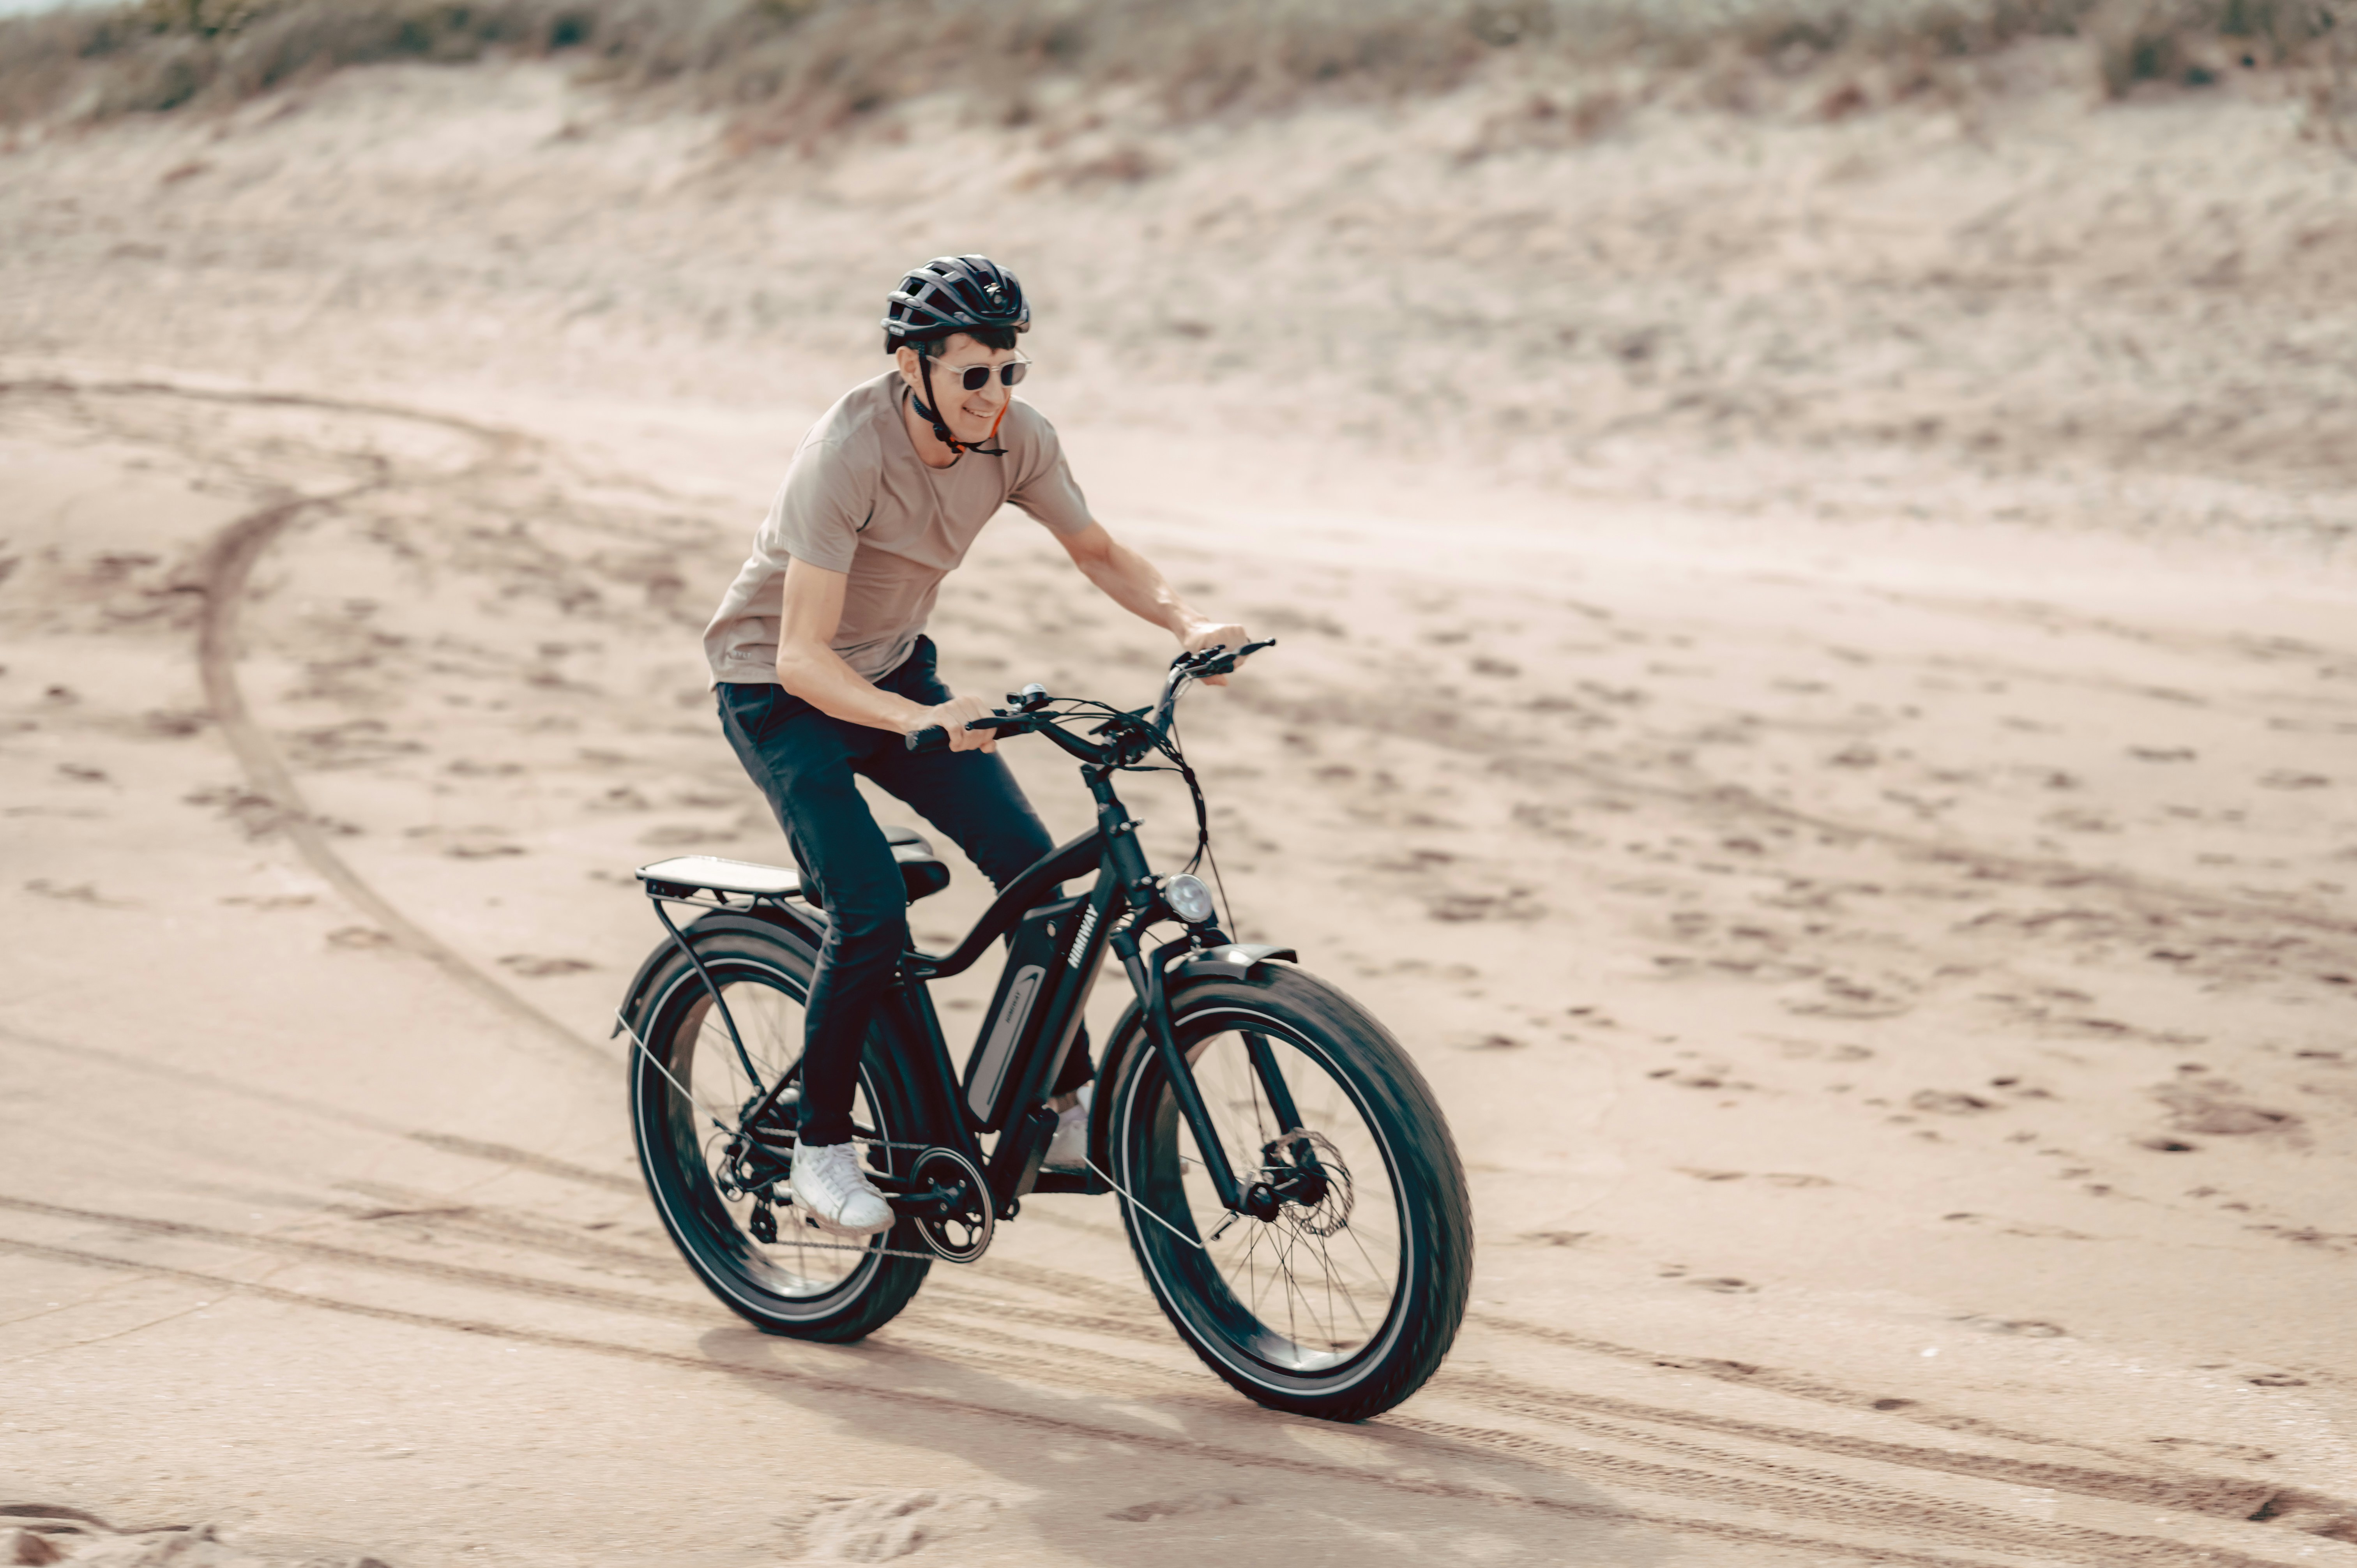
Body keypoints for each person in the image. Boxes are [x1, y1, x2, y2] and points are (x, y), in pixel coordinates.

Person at [702, 255, 1250, 1236]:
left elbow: (1097, 549)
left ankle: (1068, 1106)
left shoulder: (1016, 439)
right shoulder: (847, 454)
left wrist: (1186, 622)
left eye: (1010, 371)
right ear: (913, 367)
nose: (996, 396)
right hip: (780, 692)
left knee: (1036, 877)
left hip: (898, 673)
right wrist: (917, 721)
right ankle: (819, 1142)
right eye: (973, 376)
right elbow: (801, 656)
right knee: (866, 909)